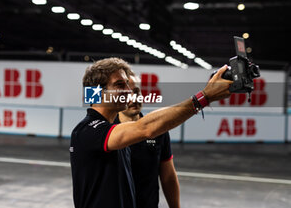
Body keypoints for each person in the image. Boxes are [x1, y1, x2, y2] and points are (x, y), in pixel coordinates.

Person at [70, 57, 232, 208]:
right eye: (120, 85)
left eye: (128, 84)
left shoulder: (111, 130)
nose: (128, 91)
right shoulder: (87, 131)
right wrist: (204, 97)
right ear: (97, 92)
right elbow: (146, 128)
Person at [114, 74, 180, 208]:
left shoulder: (158, 131)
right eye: (127, 94)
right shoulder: (107, 131)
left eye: (137, 92)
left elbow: (168, 177)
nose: (134, 99)